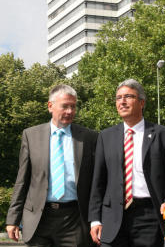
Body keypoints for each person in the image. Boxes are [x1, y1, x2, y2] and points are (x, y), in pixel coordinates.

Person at [88, 78, 165, 247]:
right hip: (113, 220)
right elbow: (98, 182)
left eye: (128, 97)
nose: (122, 102)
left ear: (142, 102)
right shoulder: (106, 136)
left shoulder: (163, 135)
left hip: (150, 218)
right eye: (118, 98)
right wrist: (95, 219)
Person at [6, 84, 98, 247]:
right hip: (39, 220)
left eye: (73, 106)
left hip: (74, 220)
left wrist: (97, 219)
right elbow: (22, 180)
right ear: (50, 106)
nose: (70, 111)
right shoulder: (31, 135)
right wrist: (13, 218)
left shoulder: (89, 137)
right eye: (65, 106)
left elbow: (97, 182)